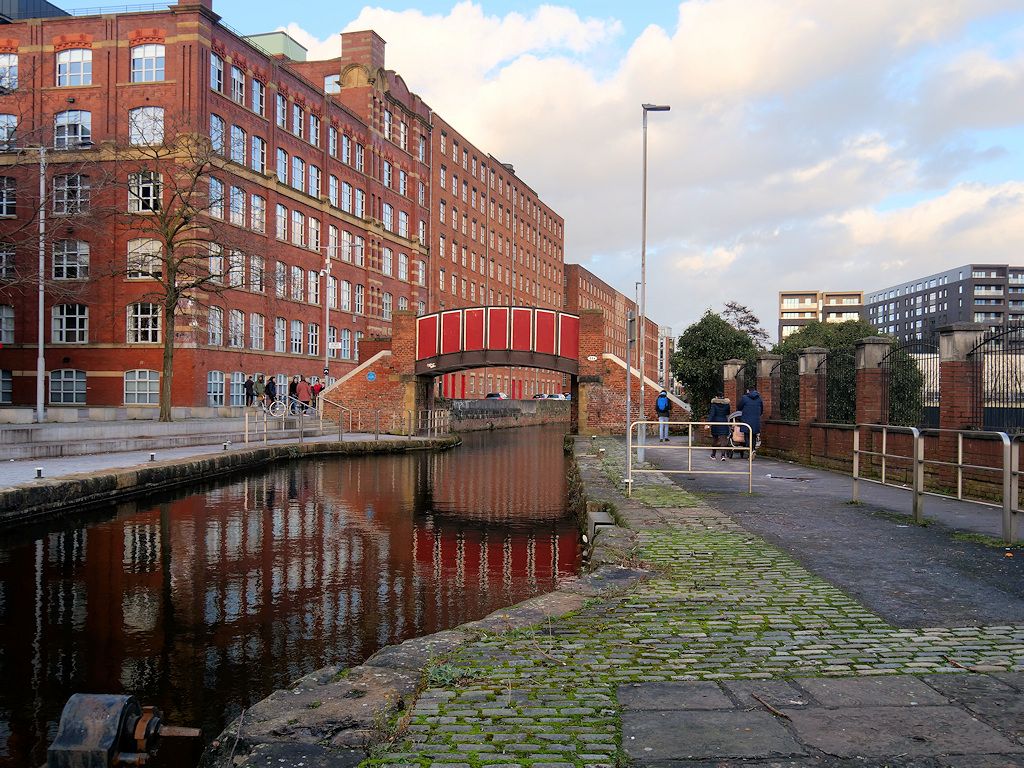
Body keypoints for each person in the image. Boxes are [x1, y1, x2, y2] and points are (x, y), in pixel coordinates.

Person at [738, 386, 764, 456]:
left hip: (746, 420)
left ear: (748, 391)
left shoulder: (744, 398)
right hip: (756, 420)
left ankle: (750, 451)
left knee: (747, 435)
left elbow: (739, 407)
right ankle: (753, 450)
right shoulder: (759, 398)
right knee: (754, 436)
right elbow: (761, 410)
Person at [706, 394, 732, 460]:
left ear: (716, 397)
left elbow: (712, 414)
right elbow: (728, 413)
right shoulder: (727, 405)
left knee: (715, 439)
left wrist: (708, 423)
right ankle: (723, 456)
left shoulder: (714, 405)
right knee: (723, 439)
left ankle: (713, 455)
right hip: (724, 422)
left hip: (716, 423)